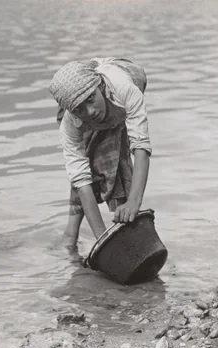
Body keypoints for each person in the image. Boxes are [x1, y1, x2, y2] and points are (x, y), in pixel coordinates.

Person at [49, 57, 152, 249]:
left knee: (114, 159)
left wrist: (133, 202)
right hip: (83, 95)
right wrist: (103, 242)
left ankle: (127, 226)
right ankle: (71, 234)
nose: (90, 111)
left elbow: (141, 146)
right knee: (89, 157)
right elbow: (80, 179)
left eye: (91, 99)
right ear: (71, 111)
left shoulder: (124, 89)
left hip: (122, 87)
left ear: (101, 87)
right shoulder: (70, 123)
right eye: (79, 109)